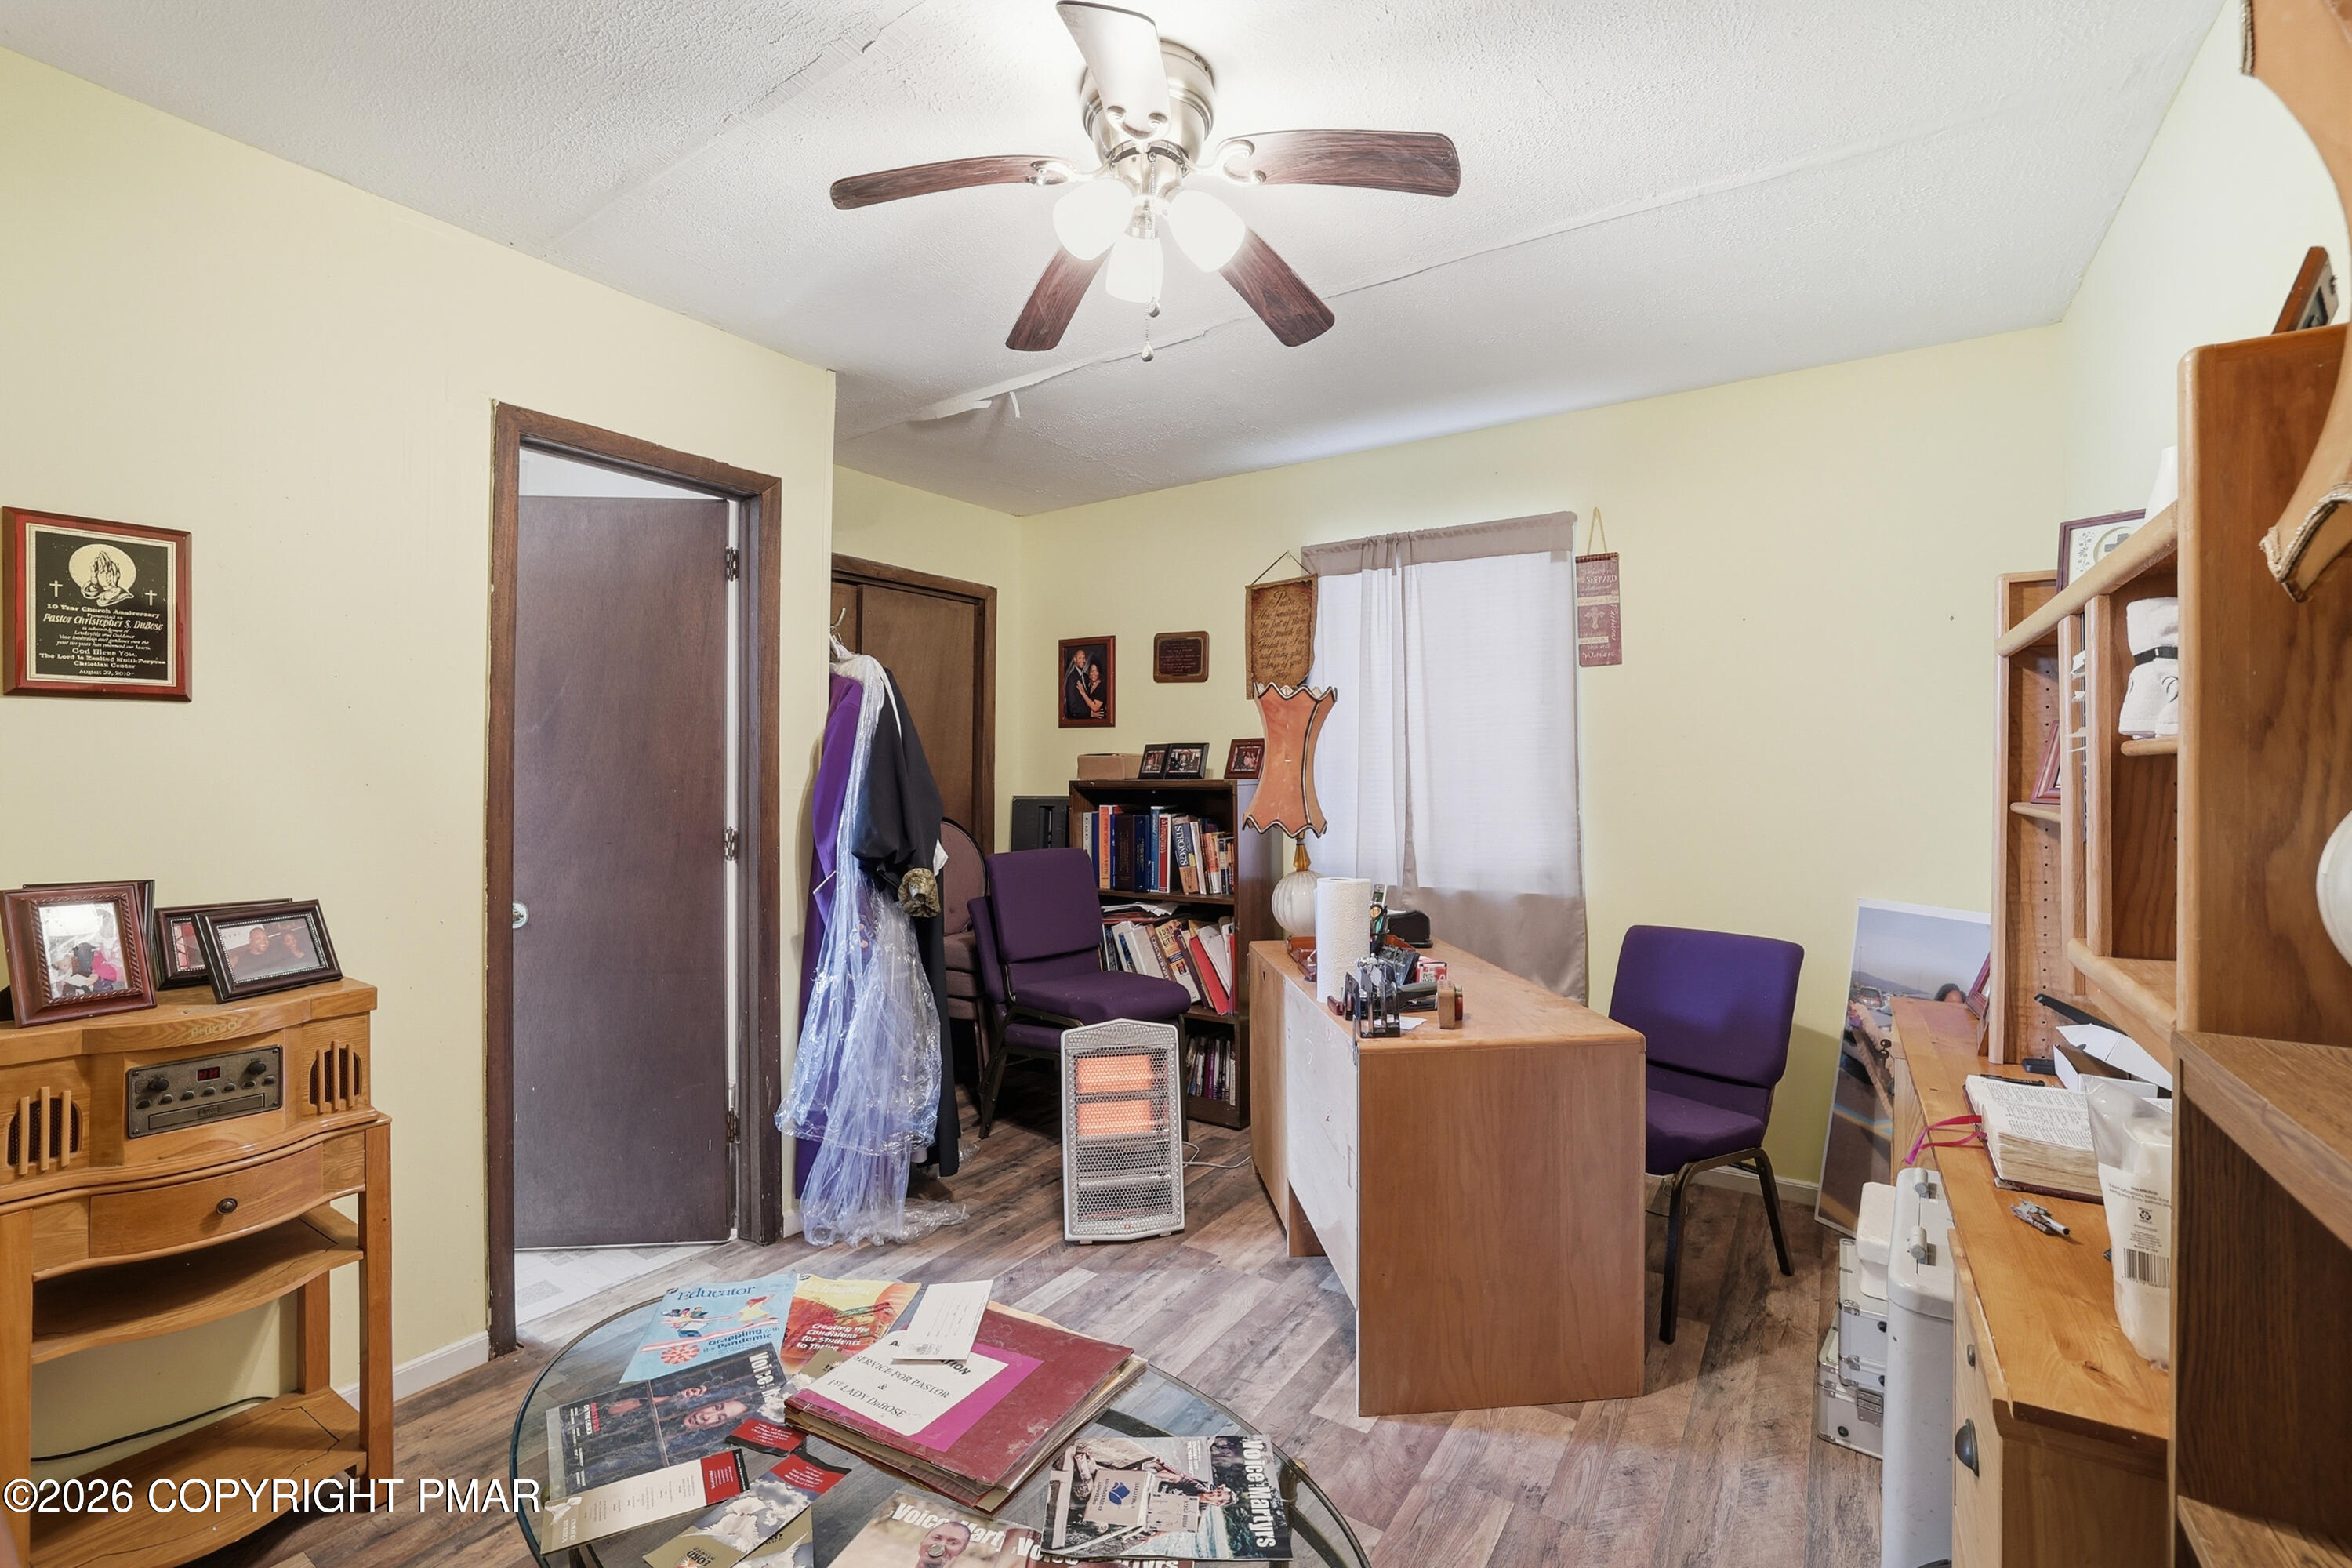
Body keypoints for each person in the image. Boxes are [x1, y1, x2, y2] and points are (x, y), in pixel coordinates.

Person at [1063, 647, 1103, 722]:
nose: (1083, 661)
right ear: (1075, 660)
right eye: (1080, 658)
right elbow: (1072, 708)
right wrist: (1089, 714)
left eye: (1084, 658)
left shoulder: (1086, 677)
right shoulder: (1071, 679)